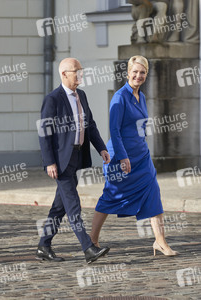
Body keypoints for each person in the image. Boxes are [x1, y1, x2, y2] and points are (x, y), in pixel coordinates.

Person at [90, 55, 178, 256]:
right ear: (128, 73)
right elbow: (115, 129)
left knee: (153, 192)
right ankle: (92, 241)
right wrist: (123, 157)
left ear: (146, 74)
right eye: (135, 72)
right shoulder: (119, 97)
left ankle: (160, 242)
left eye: (143, 72)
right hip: (121, 157)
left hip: (141, 156)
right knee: (111, 196)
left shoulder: (142, 96)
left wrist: (143, 148)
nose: (138, 76)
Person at [36, 58, 110, 264]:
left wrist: (102, 148)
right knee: (73, 204)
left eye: (81, 71)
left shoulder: (82, 95)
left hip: (76, 156)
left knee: (59, 207)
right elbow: (44, 134)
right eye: (76, 71)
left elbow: (90, 125)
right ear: (64, 74)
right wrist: (49, 162)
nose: (80, 75)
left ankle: (44, 245)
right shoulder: (53, 99)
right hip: (60, 161)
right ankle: (88, 248)